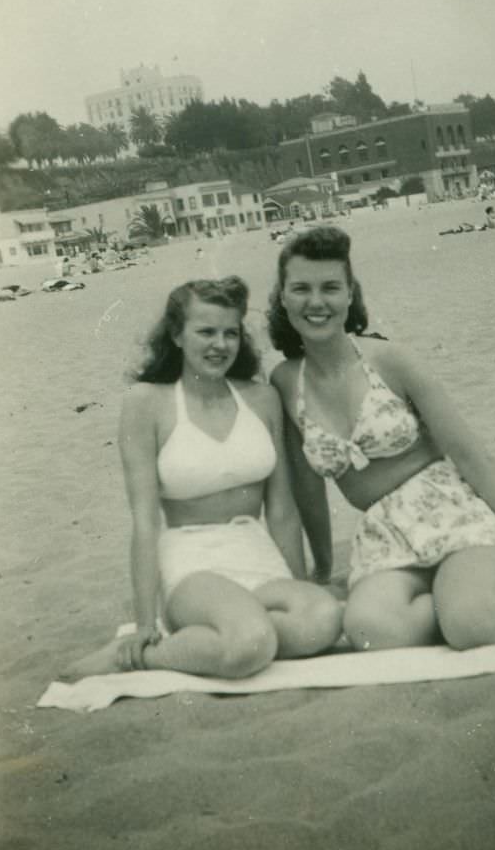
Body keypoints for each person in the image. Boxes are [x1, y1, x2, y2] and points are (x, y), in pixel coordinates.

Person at [267, 226, 495, 652]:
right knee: (368, 631)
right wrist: (322, 568)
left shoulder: (390, 361)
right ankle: (460, 599)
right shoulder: (286, 382)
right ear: (282, 297)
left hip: (451, 509)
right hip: (383, 532)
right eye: (301, 289)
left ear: (349, 295)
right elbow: (307, 489)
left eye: (330, 288)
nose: (316, 302)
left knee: (474, 625)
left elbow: (471, 455)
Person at [63, 277, 342, 680]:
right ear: (176, 335)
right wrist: (145, 624)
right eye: (206, 331)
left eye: (230, 333)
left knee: (322, 619)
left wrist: (299, 585)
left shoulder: (261, 400)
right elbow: (145, 521)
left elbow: (281, 510)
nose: (221, 344)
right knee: (250, 643)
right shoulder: (146, 403)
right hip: (193, 565)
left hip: (257, 553)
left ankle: (225, 638)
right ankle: (141, 655)